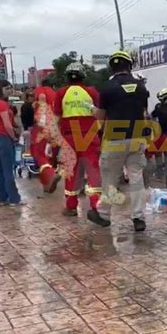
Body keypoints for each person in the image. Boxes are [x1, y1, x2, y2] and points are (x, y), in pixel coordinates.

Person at [95, 50, 150, 232]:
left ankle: (103, 214)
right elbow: (145, 114)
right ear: (129, 66)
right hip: (137, 138)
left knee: (110, 179)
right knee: (136, 179)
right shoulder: (141, 87)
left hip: (114, 139)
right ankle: (138, 218)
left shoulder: (107, 89)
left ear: (112, 67)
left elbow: (101, 117)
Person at [53, 62, 103, 223]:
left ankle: (71, 206)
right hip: (89, 137)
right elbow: (100, 115)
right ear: (83, 76)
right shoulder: (92, 92)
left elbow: (56, 118)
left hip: (69, 138)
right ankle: (96, 206)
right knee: (93, 170)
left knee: (71, 173)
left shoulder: (60, 93)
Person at [0, 80, 24, 206]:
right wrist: (14, 137)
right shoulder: (2, 104)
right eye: (7, 88)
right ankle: (14, 198)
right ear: (0, 89)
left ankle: (1, 197)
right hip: (3, 138)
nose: (9, 91)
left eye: (10, 89)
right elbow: (7, 125)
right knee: (8, 170)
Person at [31, 79, 60, 192]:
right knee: (50, 155)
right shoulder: (55, 94)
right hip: (54, 127)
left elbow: (42, 98)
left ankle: (51, 175)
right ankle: (47, 185)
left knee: (38, 153)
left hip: (42, 126)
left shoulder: (41, 90)